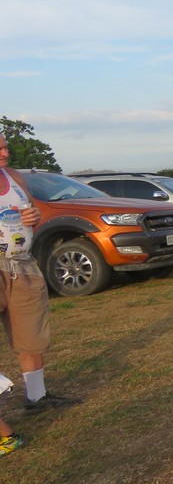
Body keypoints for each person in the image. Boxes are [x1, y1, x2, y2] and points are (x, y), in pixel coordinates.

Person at [0, 134, 79, 414]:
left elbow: (34, 211)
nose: (5, 153)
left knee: (30, 333)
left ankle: (37, 397)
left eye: (5, 146)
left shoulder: (13, 177)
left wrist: (33, 216)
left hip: (22, 264)